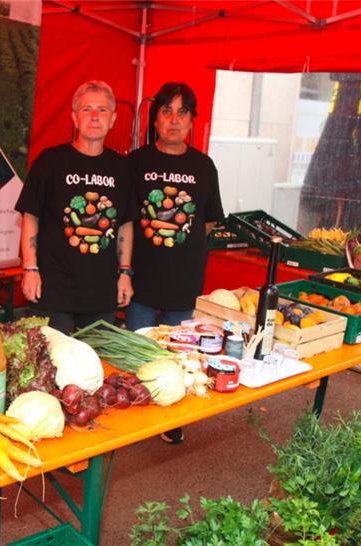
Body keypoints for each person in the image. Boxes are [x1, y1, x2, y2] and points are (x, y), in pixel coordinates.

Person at [127, 82, 224, 443]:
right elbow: (123, 220)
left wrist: (179, 239)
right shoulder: (135, 163)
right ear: (155, 120)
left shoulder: (203, 166)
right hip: (140, 279)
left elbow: (209, 219)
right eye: (166, 111)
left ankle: (169, 420)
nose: (174, 120)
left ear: (192, 121)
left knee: (179, 354)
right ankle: (137, 415)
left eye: (182, 112)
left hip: (183, 280)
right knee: (138, 351)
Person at [15, 81, 134, 334]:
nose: (94, 117)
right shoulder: (50, 161)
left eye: (102, 110)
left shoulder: (122, 168)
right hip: (52, 290)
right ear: (74, 117)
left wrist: (125, 273)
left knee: (97, 367)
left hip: (101, 293)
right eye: (86, 109)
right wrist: (30, 269)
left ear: (112, 119)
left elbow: (125, 223)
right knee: (51, 364)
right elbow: (30, 216)